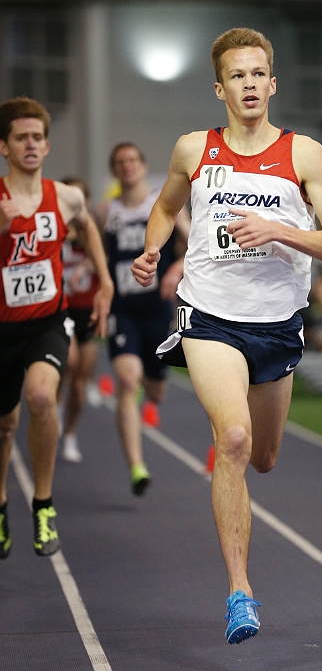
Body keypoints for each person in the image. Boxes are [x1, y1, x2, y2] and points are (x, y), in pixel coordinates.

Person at [131, 27, 322, 644]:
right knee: (231, 438)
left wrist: (279, 230)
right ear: (220, 87)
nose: (250, 84)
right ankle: (239, 592)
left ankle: (240, 571)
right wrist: (153, 250)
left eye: (259, 74)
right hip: (209, 315)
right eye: (238, 75)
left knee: (263, 456)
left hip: (277, 324)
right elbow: (166, 205)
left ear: (272, 83)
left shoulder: (303, 154)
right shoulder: (192, 149)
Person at [0, 97, 113, 559]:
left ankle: (43, 503)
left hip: (48, 321)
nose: (30, 145)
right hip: (2, 328)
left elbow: (86, 229)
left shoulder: (66, 197)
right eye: (21, 138)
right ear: (4, 147)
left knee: (43, 396)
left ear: (47, 146)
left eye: (37, 138)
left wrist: (105, 282)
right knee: (4, 425)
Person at [94, 143, 189, 495]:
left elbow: (194, 244)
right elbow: (96, 254)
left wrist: (176, 269)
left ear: (143, 165)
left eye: (133, 159)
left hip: (158, 309)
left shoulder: (163, 203)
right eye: (119, 162)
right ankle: (137, 465)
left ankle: (155, 377)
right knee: (127, 381)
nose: (127, 166)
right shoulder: (105, 212)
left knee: (155, 390)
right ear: (114, 171)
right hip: (124, 311)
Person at [58, 177, 100, 463]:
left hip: (88, 310)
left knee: (80, 383)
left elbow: (104, 260)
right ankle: (55, 403)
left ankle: (70, 433)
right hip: (60, 309)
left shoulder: (92, 229)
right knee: (68, 362)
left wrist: (85, 264)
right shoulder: (54, 229)